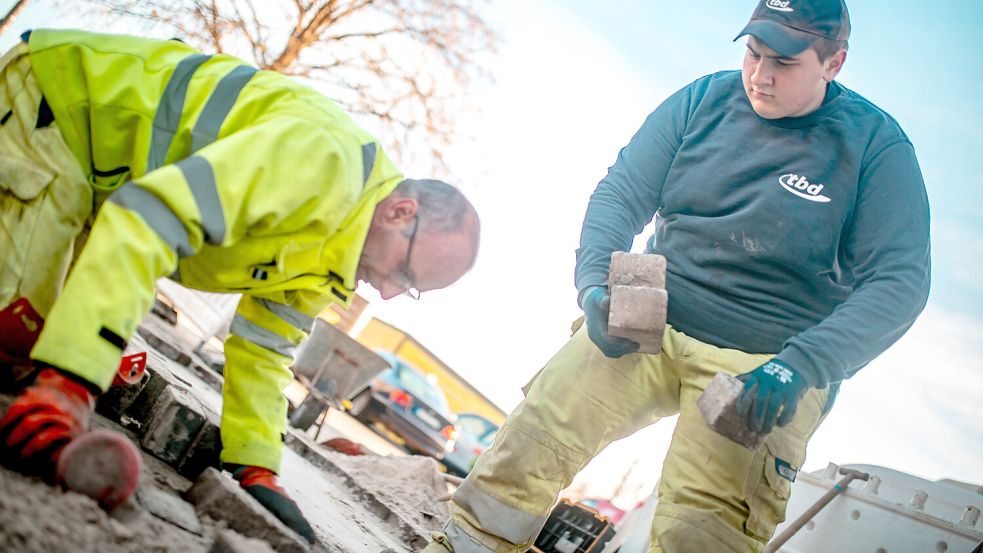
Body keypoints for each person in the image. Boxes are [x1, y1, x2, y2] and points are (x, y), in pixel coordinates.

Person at [421, 0, 930, 551]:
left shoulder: (875, 147)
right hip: (653, 313)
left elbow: (900, 284)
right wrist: (595, 285)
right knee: (534, 438)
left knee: (702, 530)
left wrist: (801, 368)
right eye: (753, 54)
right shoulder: (704, 99)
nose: (760, 76)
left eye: (783, 63)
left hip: (765, 361)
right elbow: (622, 192)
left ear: (833, 64)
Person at [0, 29, 480, 542]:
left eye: (408, 290)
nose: (387, 293)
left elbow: (264, 351)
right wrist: (72, 380)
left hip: (106, 184)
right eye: (404, 274)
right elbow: (149, 219)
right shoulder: (319, 165)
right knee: (19, 333)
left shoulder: (339, 257)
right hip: (62, 104)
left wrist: (257, 468)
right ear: (400, 212)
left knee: (46, 345)